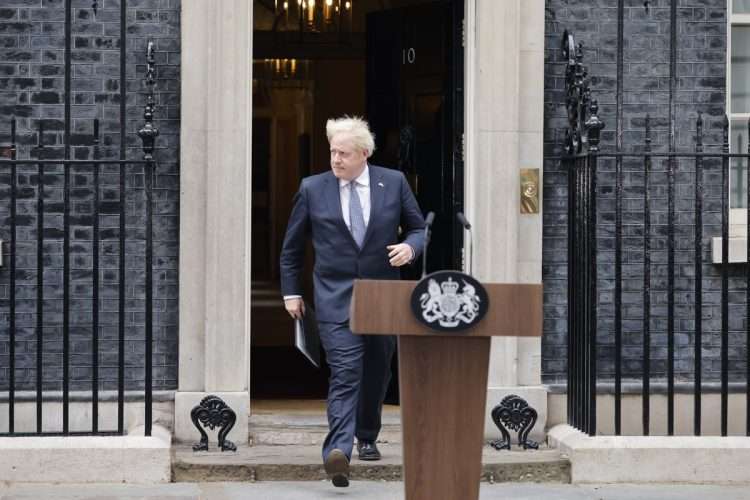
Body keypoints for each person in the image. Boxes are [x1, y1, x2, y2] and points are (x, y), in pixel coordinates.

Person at [280, 116, 426, 487]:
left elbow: (418, 227)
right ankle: (338, 452)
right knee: (346, 372)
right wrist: (291, 292)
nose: (335, 159)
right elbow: (292, 248)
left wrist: (410, 248)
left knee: (378, 370)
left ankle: (367, 434)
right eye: (332, 151)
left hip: (382, 295)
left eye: (343, 153)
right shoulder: (313, 189)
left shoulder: (392, 183)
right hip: (334, 298)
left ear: (364, 154)